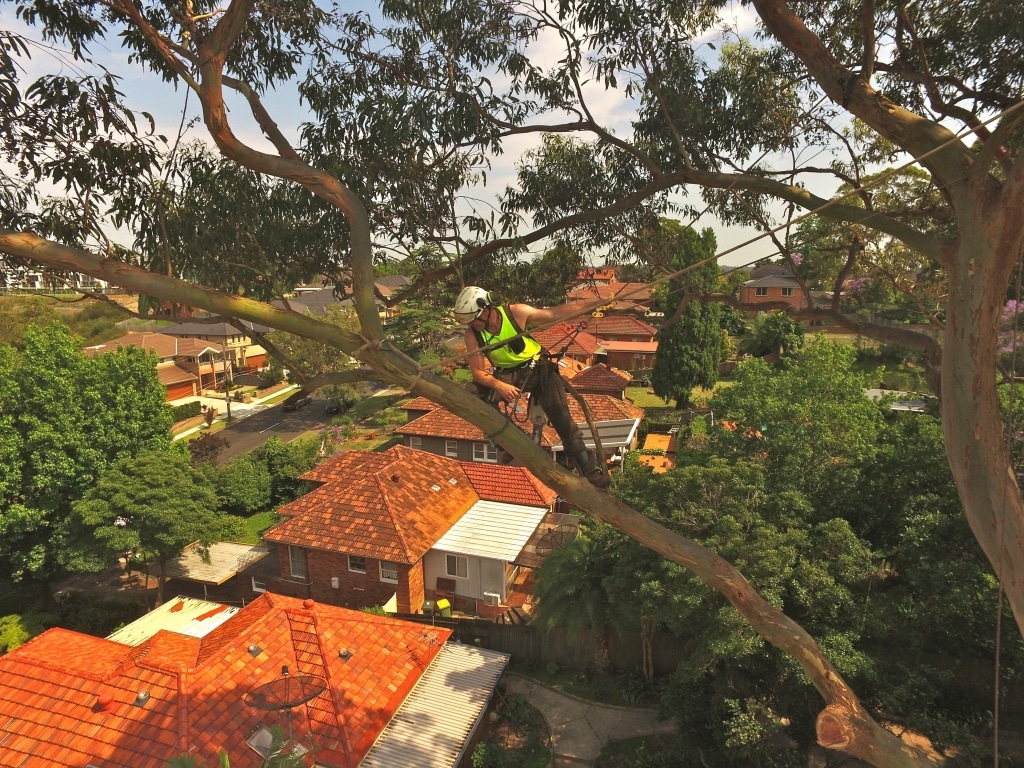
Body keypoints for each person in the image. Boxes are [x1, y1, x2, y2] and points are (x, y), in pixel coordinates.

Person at [454, 286, 610, 489]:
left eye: (475, 319)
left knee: (560, 415)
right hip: (507, 374)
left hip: (539, 368)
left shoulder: (516, 313)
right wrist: (499, 385)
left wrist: (595, 303)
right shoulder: (473, 335)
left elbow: (554, 313)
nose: (474, 325)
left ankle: (589, 471)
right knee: (474, 395)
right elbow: (478, 373)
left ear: (485, 309)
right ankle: (511, 440)